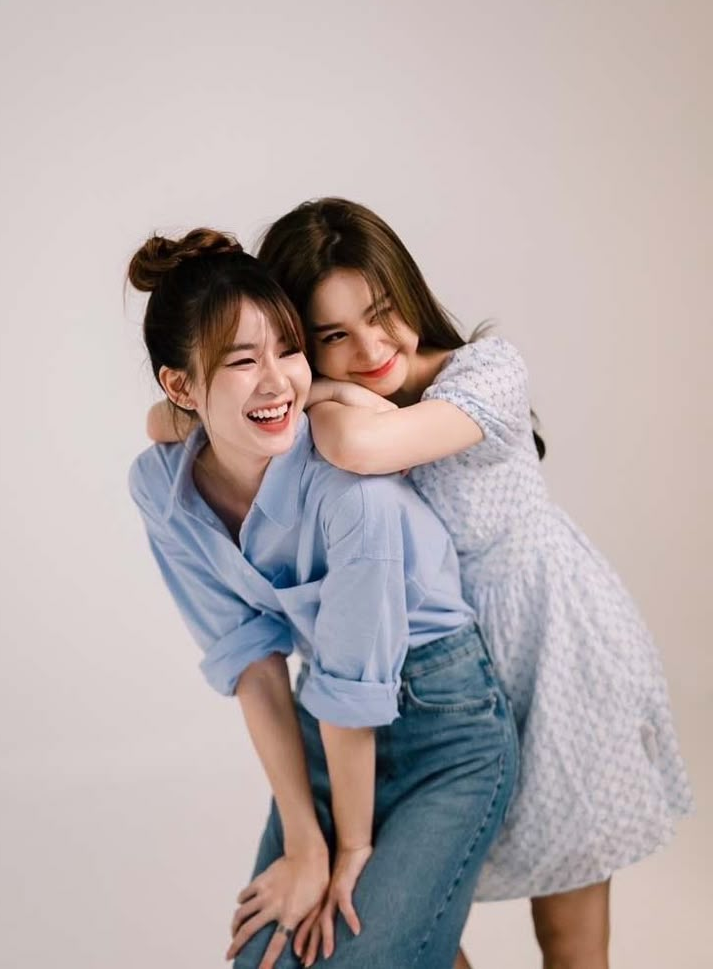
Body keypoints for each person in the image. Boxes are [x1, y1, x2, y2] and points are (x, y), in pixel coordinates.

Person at [252, 197, 693, 968]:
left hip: (557, 663)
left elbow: (363, 442)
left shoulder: (487, 371)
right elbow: (172, 421)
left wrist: (315, 391)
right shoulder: (323, 405)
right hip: (434, 689)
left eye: (381, 312)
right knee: (419, 918)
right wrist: (288, 389)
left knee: (569, 935)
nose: (370, 346)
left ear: (407, 290)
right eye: (332, 337)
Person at [128, 228, 518, 969]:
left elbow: (349, 686)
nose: (277, 381)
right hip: (329, 722)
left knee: (353, 960)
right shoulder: (160, 487)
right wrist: (307, 843)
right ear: (181, 387)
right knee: (261, 961)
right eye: (243, 361)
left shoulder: (349, 490)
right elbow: (252, 660)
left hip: (449, 730)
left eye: (289, 349)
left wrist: (353, 846)